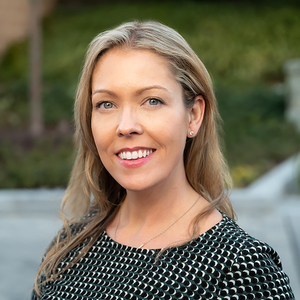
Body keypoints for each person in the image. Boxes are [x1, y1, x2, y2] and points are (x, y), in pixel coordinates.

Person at [32, 21, 295, 299]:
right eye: (106, 104)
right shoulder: (70, 244)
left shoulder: (241, 270)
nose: (126, 126)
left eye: (152, 101)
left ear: (193, 115)